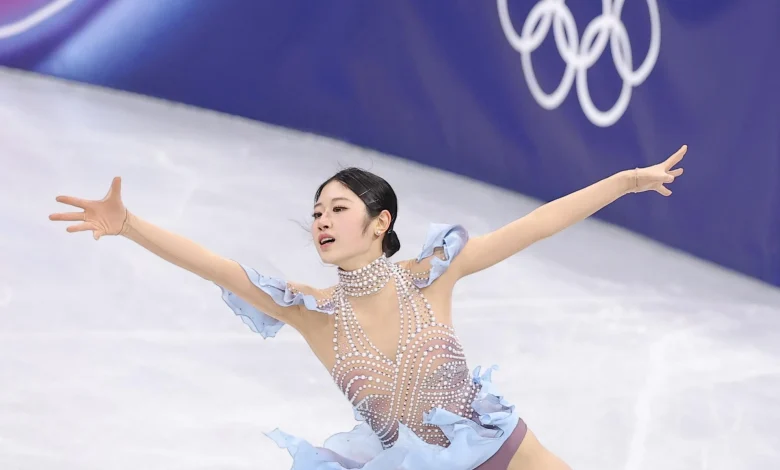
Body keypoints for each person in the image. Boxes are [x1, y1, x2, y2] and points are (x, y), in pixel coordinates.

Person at [48, 145, 686, 469]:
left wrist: (626, 182)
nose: (322, 220)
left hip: (504, 454)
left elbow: (537, 225)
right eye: (318, 211)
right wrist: (129, 224)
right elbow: (217, 267)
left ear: (380, 222)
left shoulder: (431, 275)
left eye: (338, 208)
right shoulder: (312, 312)